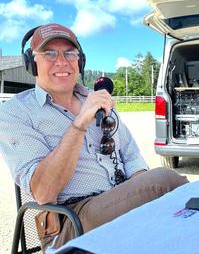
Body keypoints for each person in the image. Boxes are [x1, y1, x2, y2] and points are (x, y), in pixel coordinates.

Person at [0, 23, 188, 251]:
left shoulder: (99, 100)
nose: (61, 61)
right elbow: (43, 192)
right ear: (32, 62)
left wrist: (137, 201)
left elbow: (132, 159)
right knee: (163, 182)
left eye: (69, 53)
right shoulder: (16, 112)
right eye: (49, 53)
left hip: (117, 203)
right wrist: (80, 123)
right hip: (70, 222)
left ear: (80, 61)